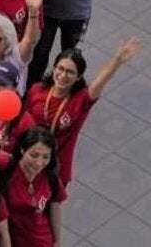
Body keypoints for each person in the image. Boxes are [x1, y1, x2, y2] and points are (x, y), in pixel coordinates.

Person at [24, 39, 139, 184]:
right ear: (54, 68)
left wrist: (117, 60)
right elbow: (23, 121)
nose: (63, 75)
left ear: (78, 77)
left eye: (70, 72)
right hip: (28, 160)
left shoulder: (81, 99)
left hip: (56, 166)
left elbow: (99, 83)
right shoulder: (37, 90)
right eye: (60, 68)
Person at [1, 128, 65, 247]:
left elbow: (54, 205)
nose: (39, 162)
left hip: (43, 240)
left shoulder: (50, 175)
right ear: (22, 150)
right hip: (14, 240)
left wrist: (57, 241)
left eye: (45, 157)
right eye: (34, 155)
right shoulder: (7, 174)